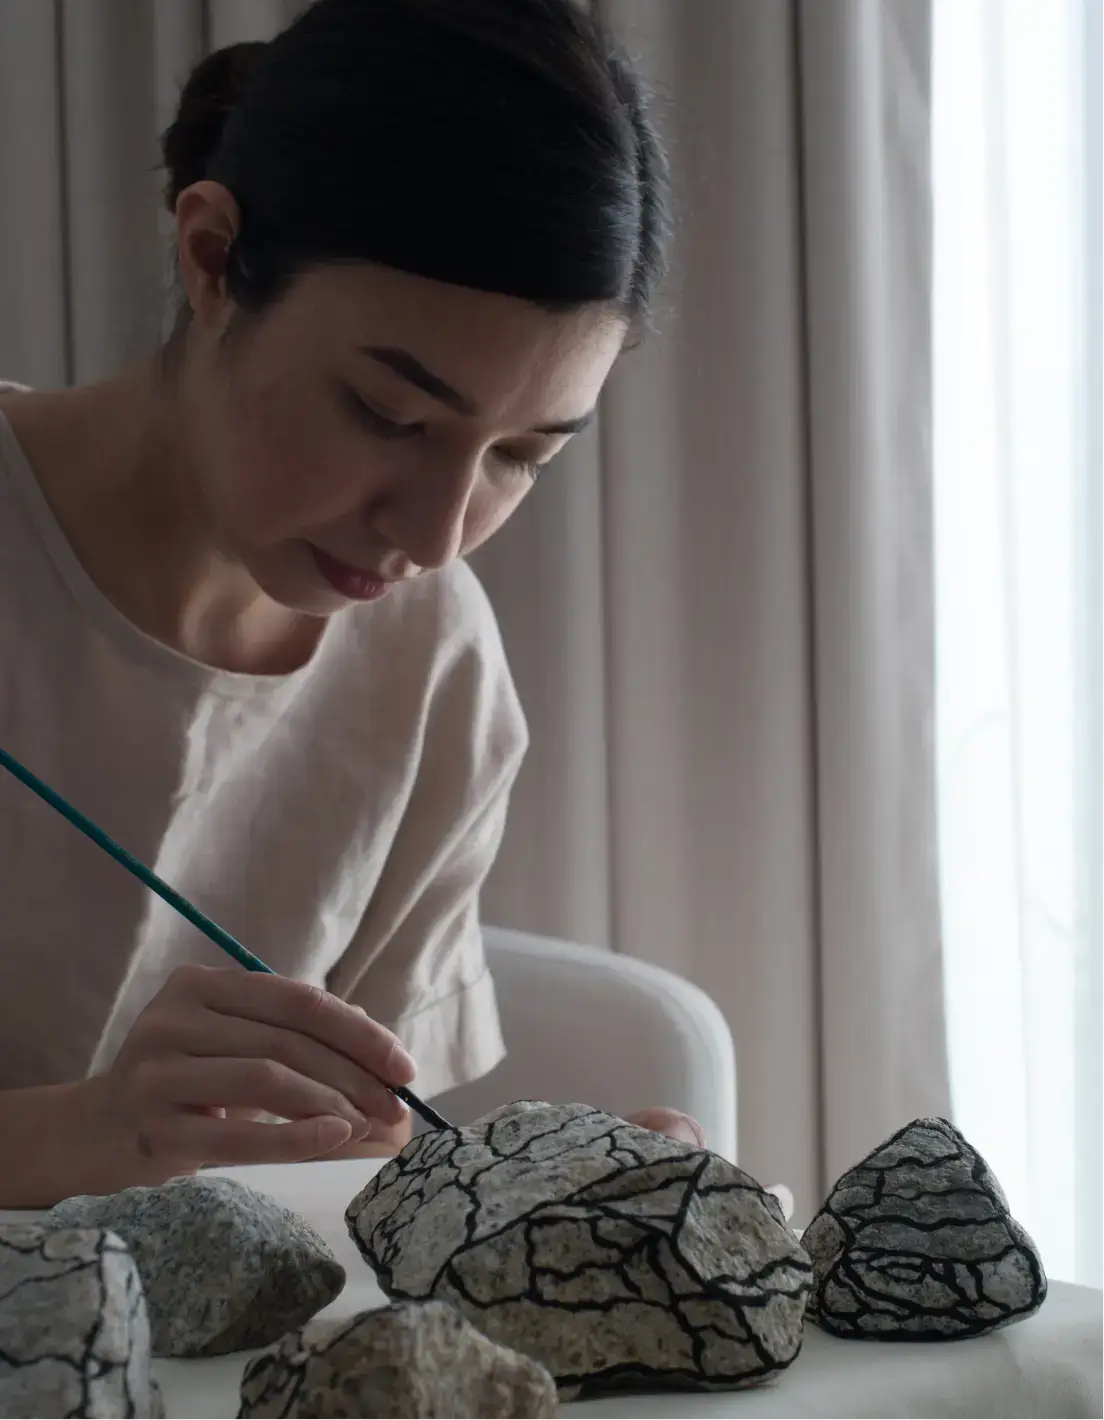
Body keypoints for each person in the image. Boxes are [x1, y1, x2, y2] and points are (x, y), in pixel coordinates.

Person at [0, 0, 712, 1210]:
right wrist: (85, 1137)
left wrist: (534, 1206)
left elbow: (351, 1154)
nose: (435, 535)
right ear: (215, 258)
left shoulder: (432, 665)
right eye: (390, 415)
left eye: (520, 456)